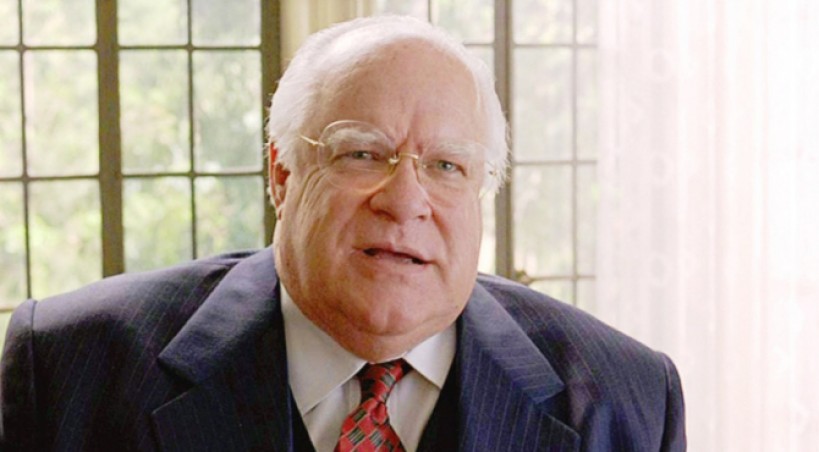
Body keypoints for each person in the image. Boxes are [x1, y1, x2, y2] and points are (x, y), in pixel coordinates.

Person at [0, 15, 685, 452]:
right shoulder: (67, 369)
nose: (405, 200)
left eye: (446, 166)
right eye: (361, 153)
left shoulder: (626, 401)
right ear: (281, 175)